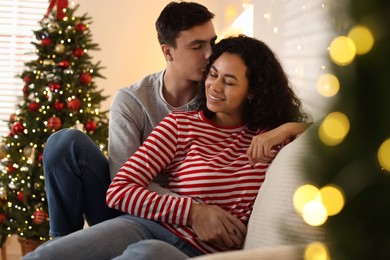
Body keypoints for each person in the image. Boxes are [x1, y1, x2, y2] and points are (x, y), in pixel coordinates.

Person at [24, 35, 308, 260]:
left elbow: (341, 129)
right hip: (144, 227)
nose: (215, 87)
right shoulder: (181, 124)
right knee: (45, 256)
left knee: (145, 254)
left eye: (229, 81)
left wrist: (289, 128)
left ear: (254, 91)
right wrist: (193, 213)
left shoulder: (270, 140)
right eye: (213, 74)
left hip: (193, 252)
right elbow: (120, 189)